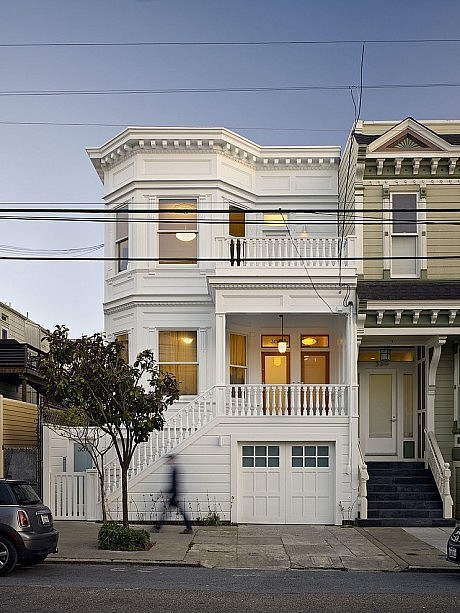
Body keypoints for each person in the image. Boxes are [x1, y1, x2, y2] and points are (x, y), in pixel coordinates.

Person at [154, 455, 192, 534]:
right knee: (168, 511)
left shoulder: (175, 470)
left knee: (167, 511)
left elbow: (174, 484)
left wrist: (164, 492)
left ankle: (158, 526)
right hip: (175, 494)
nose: (167, 461)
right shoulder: (174, 469)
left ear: (172, 460)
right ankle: (158, 526)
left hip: (175, 495)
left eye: (169, 460)